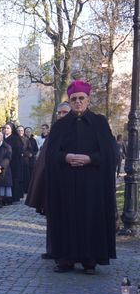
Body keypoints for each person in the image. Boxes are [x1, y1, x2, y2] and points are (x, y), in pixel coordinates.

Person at [46, 80, 117, 274]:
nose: (78, 102)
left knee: (90, 218)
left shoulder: (99, 123)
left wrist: (90, 159)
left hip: (92, 183)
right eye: (74, 99)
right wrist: (66, 157)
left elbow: (110, 154)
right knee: (66, 218)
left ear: (88, 99)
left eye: (81, 98)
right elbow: (51, 154)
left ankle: (90, 259)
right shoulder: (60, 126)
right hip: (65, 183)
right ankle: (65, 258)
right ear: (69, 101)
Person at [26, 102, 69, 259]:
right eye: (59, 113)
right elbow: (44, 158)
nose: (62, 115)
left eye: (65, 112)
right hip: (52, 181)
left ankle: (66, 251)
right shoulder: (54, 132)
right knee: (52, 217)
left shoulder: (73, 131)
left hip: (68, 181)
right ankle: (52, 249)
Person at [3, 123, 23, 203]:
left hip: (13, 162)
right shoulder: (2, 137)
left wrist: (9, 158)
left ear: (11, 129)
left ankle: (14, 197)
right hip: (3, 162)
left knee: (14, 179)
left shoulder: (15, 138)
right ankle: (5, 197)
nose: (6, 129)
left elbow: (18, 151)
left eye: (8, 128)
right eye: (5, 128)